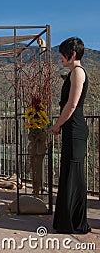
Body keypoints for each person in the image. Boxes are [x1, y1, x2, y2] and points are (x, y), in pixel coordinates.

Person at [51, 37, 91, 234]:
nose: (60, 57)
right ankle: (66, 221)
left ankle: (74, 222)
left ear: (72, 54)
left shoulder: (78, 73)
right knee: (68, 173)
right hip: (71, 129)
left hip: (75, 129)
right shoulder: (73, 73)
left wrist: (57, 125)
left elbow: (72, 105)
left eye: (62, 53)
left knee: (74, 175)